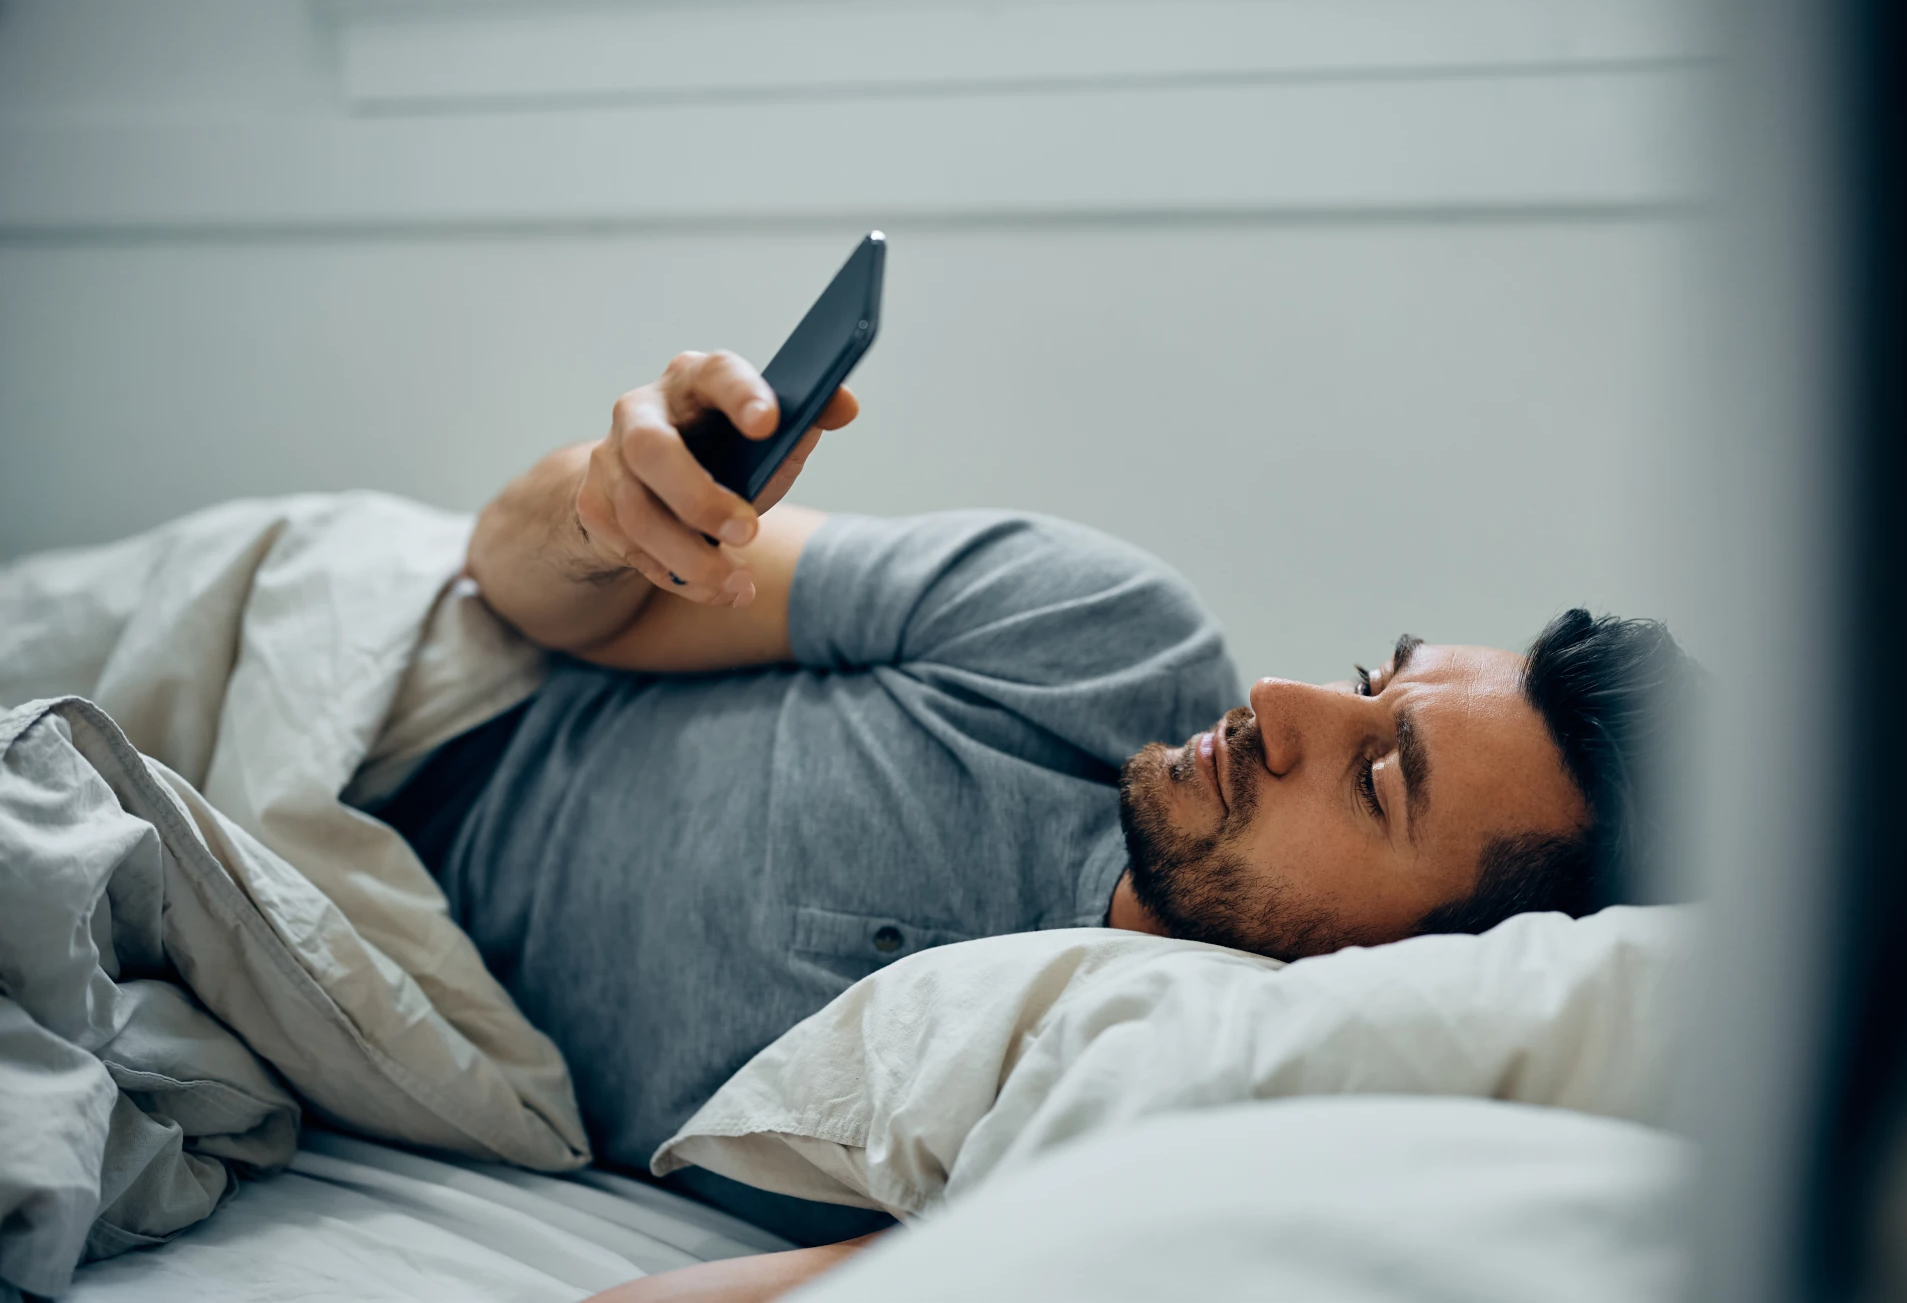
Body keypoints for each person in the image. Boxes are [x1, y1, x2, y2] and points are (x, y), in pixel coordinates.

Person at [374, 350, 1693, 1291]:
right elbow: (515, 578)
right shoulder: (1089, 637)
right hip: (391, 718)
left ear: (1428, 965)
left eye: (1377, 780)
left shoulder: (1108, 1105)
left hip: (364, 993)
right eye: (1366, 685)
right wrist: (617, 503)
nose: (1279, 703)